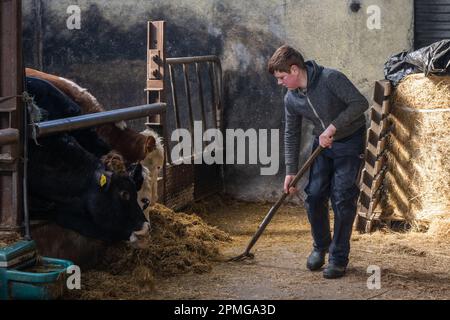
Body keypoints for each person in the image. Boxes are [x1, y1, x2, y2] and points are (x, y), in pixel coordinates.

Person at [268, 45, 368, 279]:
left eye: (282, 78)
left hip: (349, 141)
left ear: (294, 70)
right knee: (313, 196)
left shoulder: (331, 78)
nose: (280, 83)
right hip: (322, 145)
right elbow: (291, 133)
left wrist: (333, 127)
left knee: (343, 197)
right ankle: (320, 246)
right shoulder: (291, 98)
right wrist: (290, 171)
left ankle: (338, 258)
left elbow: (360, 103)